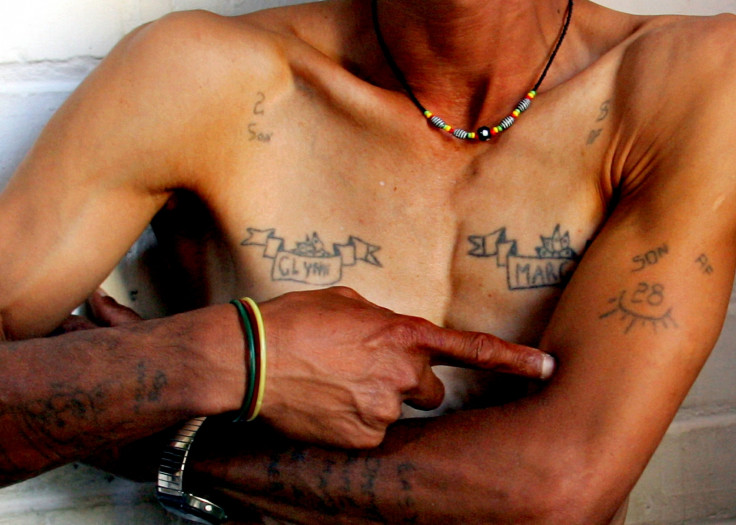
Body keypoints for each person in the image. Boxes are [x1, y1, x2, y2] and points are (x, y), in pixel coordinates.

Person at [2, 0, 735, 522]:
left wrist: (174, 437)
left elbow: (558, 489)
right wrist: (227, 355)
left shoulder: (690, 80)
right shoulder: (201, 77)